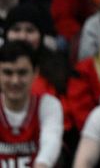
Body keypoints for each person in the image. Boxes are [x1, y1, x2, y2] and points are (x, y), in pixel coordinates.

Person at [0, 40, 63, 168]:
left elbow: (51, 142)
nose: (15, 81)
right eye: (8, 73)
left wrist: (42, 164)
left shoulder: (48, 105)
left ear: (35, 73)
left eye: (22, 73)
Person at [4, 2, 66, 96]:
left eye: (30, 30)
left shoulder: (58, 70)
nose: (23, 37)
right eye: (16, 30)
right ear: (6, 34)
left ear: (41, 36)